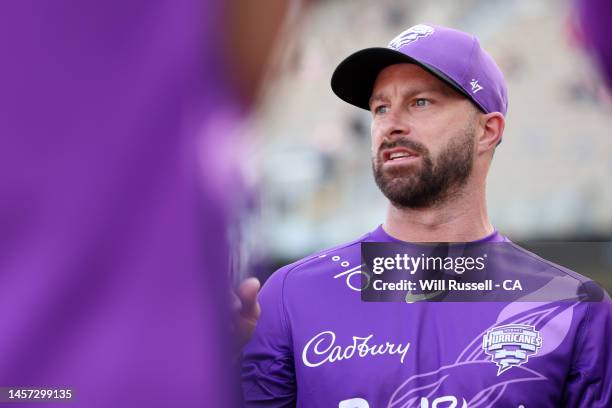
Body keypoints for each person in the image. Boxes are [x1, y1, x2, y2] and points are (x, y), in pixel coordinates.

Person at [241, 24, 611, 407]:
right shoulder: (291, 296)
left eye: (420, 102)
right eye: (380, 107)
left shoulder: (575, 308)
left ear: (487, 130)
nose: (391, 124)